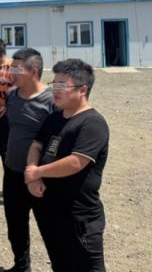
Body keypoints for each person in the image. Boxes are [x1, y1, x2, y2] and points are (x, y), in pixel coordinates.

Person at [25, 59, 108, 272]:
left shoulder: (92, 123)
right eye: (54, 84)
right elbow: (36, 146)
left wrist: (36, 172)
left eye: (62, 85)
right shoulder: (53, 118)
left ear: (83, 90)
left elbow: (76, 162)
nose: (55, 90)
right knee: (60, 264)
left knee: (88, 267)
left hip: (79, 215)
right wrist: (33, 175)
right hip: (50, 209)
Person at [3, 48, 54, 272]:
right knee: (15, 224)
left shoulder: (52, 100)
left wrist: (41, 172)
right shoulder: (11, 96)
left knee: (50, 227)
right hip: (13, 172)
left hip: (41, 176)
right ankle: (21, 266)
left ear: (33, 71)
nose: (11, 73)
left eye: (16, 69)